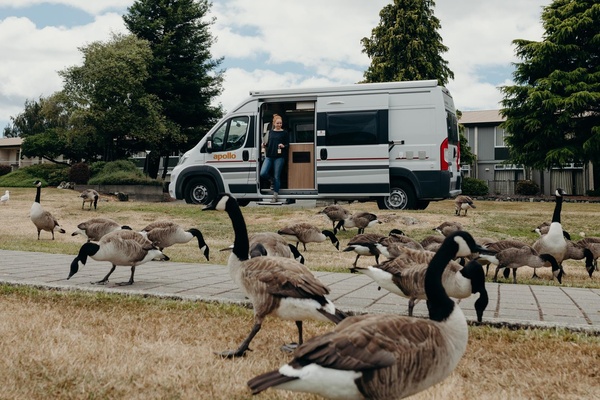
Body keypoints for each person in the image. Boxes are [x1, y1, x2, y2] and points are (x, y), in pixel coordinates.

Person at [260, 114, 289, 202]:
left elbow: (288, 145)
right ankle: (271, 180)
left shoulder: (284, 133)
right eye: (278, 123)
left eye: (280, 123)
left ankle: (275, 196)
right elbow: (269, 143)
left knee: (277, 176)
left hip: (279, 157)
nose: (279, 124)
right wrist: (264, 145)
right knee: (263, 173)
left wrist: (283, 145)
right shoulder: (270, 132)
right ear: (274, 123)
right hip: (269, 156)